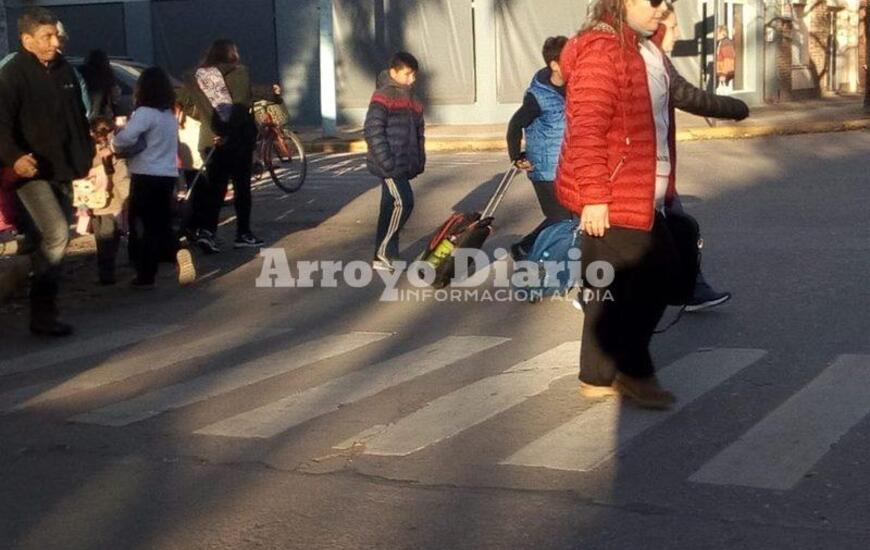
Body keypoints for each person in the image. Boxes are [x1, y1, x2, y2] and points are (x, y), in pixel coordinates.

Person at [555, 0, 748, 409]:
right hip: (616, 193)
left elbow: (683, 94)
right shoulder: (602, 51)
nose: (662, 10)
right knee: (661, 276)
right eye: (654, 2)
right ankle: (633, 371)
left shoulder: (648, 52)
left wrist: (733, 108)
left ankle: (596, 376)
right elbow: (587, 127)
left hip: (646, 193)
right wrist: (593, 196)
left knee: (609, 288)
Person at [0, 7, 93, 336]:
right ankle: (36, 297)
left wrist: (88, 155)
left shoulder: (65, 70)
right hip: (30, 172)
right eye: (47, 37)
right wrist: (14, 158)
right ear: (27, 40)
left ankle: (41, 313)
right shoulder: (12, 75)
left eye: (57, 36)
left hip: (63, 169)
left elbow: (77, 119)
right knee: (57, 234)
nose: (56, 42)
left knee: (49, 239)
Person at [178, 39, 272, 253]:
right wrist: (228, 130)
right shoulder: (239, 73)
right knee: (241, 188)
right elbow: (241, 105)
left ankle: (208, 232)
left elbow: (186, 104)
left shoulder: (196, 76)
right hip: (236, 139)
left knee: (215, 188)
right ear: (232, 54)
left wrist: (207, 118)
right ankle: (243, 233)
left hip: (209, 138)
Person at [113, 67, 195, 289]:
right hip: (166, 174)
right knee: (160, 222)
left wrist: (115, 138)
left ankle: (145, 274)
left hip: (144, 174)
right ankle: (176, 251)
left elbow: (124, 140)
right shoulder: (168, 116)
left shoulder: (144, 113)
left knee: (141, 226)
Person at [506, 36, 574, 261]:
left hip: (570, 166)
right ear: (554, 64)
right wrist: (516, 156)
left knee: (568, 216)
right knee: (560, 219)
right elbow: (515, 125)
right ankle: (537, 260)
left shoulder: (576, 88)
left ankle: (525, 247)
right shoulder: (538, 96)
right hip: (545, 169)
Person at [364, 51, 425, 272]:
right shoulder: (383, 96)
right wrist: (386, 162)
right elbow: (372, 130)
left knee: (389, 206)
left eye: (414, 75)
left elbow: (419, 132)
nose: (412, 79)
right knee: (404, 202)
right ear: (394, 72)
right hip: (390, 164)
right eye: (408, 74)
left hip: (404, 163)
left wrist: (419, 159)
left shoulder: (414, 99)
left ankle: (384, 255)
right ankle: (383, 252)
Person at [84, 117, 130, 285]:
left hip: (92, 203)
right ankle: (107, 271)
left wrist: (82, 205)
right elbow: (122, 177)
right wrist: (127, 199)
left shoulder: (86, 154)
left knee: (101, 239)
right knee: (110, 237)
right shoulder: (114, 153)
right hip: (113, 203)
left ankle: (105, 271)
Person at [79, 49, 120, 120]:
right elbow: (115, 93)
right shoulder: (106, 74)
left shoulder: (82, 72)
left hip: (83, 112)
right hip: (102, 112)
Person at [716, 25, 736, 90]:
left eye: (717, 33)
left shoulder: (726, 43)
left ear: (723, 33)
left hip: (725, 76)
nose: (715, 35)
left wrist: (724, 74)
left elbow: (729, 60)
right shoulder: (721, 43)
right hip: (722, 75)